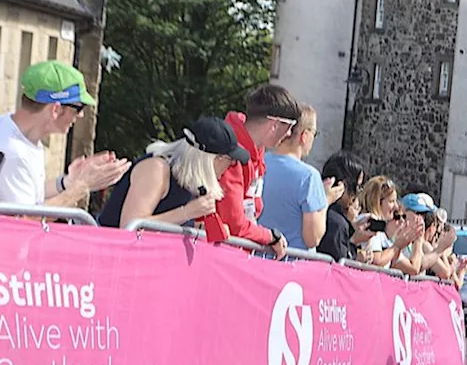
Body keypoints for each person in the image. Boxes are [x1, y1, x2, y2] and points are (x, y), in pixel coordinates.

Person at [0, 60, 128, 207]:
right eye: (79, 108)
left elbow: (29, 195)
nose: (80, 115)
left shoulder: (14, 132)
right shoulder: (14, 153)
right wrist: (82, 187)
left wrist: (68, 182)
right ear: (56, 109)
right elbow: (24, 222)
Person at [97, 117, 245, 229]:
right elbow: (130, 225)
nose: (231, 166)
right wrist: (187, 212)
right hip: (108, 259)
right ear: (214, 159)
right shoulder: (156, 169)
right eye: (230, 160)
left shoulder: (189, 181)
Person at [217, 84, 302, 258]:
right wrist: (270, 236)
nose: (289, 134)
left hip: (235, 250)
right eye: (289, 127)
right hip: (221, 254)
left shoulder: (256, 151)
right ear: (274, 124)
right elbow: (234, 223)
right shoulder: (231, 154)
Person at [259, 105, 340, 250]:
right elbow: (312, 238)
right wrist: (326, 200)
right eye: (314, 133)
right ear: (304, 136)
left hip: (257, 256)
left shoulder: (259, 163)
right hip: (293, 263)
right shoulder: (309, 177)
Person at [316, 151, 370, 262]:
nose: (357, 194)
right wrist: (354, 247)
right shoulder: (336, 223)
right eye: (357, 186)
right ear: (344, 185)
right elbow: (341, 264)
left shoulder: (313, 207)